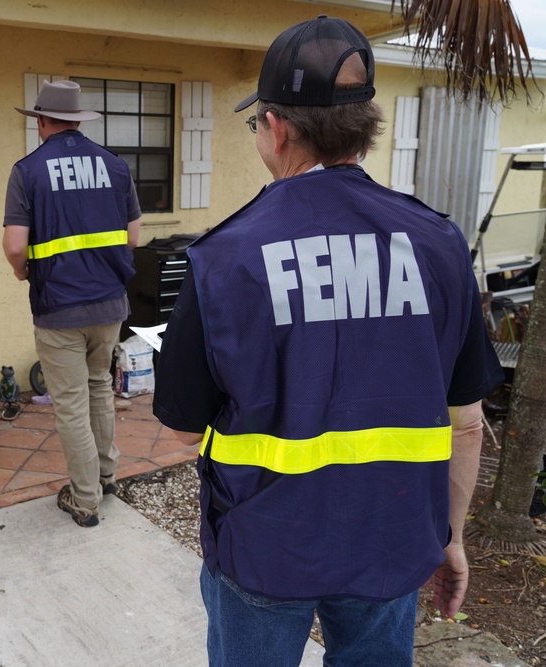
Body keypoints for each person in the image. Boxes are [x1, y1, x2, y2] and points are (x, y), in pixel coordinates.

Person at [152, 16, 504, 666]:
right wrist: (447, 537)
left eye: (256, 121)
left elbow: (180, 419)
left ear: (277, 128)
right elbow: (468, 425)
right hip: (392, 537)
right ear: (363, 126)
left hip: (262, 547)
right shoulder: (440, 245)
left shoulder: (225, 257)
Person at [3, 80, 142, 527]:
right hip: (109, 305)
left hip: (59, 307)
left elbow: (13, 246)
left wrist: (24, 272)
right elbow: (133, 236)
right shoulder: (116, 167)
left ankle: (85, 500)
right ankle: (105, 478)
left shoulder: (28, 171)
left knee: (69, 402)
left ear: (42, 121)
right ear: (78, 120)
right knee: (99, 385)